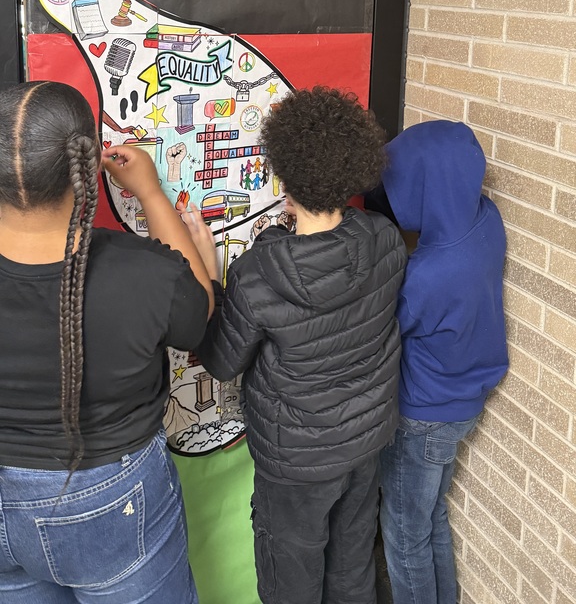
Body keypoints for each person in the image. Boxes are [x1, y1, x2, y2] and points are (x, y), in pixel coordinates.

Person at [184, 86, 407, 604]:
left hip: (296, 464)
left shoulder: (259, 274)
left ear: (282, 175)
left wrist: (213, 278)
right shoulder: (385, 240)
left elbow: (221, 362)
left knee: (291, 584)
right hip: (366, 444)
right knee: (352, 572)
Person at [0, 80, 216, 604]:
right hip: (110, 497)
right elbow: (199, 315)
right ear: (89, 165)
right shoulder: (146, 275)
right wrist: (149, 192)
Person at [367, 120, 508, 604]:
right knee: (431, 519)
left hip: (422, 416)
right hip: (465, 401)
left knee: (405, 533)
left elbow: (386, 328)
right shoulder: (486, 222)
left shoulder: (428, 274)